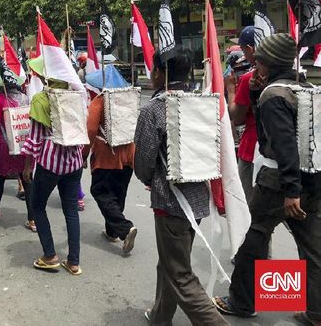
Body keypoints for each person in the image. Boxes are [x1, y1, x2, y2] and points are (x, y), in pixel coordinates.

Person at [213, 34, 321, 326]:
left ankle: (243, 302)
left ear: (269, 63)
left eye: (259, 59)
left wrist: (290, 190)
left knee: (253, 240)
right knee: (313, 248)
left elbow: (281, 143)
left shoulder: (273, 95)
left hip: (280, 181)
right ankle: (315, 312)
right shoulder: (305, 87)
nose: (254, 63)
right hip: (313, 177)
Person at [134, 47, 230, 326]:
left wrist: (148, 179)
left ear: (160, 73)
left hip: (170, 202)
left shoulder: (154, 109)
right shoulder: (202, 102)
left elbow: (143, 162)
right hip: (198, 199)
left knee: (180, 274)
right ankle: (160, 316)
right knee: (171, 263)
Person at [22, 57, 85, 276]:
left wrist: (28, 166)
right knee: (71, 210)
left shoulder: (40, 99)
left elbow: (35, 138)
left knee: (37, 205)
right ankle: (74, 262)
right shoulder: (77, 95)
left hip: (50, 162)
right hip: (74, 161)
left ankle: (50, 256)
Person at [0, 59, 35, 232]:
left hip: (5, 144)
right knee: (27, 177)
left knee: (0, 176)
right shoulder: (25, 98)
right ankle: (33, 219)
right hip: (23, 141)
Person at [84, 87, 137, 254]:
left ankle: (124, 228)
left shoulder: (99, 101)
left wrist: (84, 154)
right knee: (118, 193)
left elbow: (91, 129)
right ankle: (112, 231)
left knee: (100, 191)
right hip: (128, 153)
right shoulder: (128, 98)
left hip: (107, 155)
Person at [225, 26, 258, 202]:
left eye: (244, 48)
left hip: (252, 147)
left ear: (250, 49)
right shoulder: (291, 75)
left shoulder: (249, 79)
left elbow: (236, 117)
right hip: (283, 149)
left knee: (247, 204)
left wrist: (231, 91)